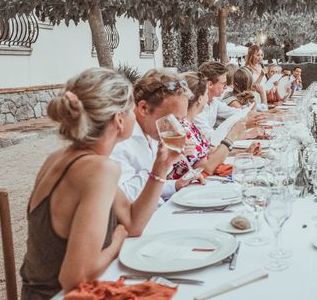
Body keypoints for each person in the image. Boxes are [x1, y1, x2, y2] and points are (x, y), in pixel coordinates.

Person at [18, 68, 177, 300]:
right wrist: (117, 239)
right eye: (130, 108)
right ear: (119, 119)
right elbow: (75, 278)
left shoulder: (65, 157)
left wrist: (161, 167)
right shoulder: (100, 169)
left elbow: (134, 222)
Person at [111, 69, 200, 204]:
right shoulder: (119, 140)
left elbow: (150, 187)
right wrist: (161, 166)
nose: (178, 127)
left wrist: (176, 185)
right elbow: (124, 197)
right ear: (144, 108)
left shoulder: (152, 131)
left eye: (180, 120)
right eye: (172, 119)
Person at [169, 71, 251, 180]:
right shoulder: (182, 128)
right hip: (183, 191)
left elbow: (211, 153)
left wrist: (244, 152)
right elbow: (207, 167)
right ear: (199, 99)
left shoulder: (189, 124)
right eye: (206, 94)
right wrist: (232, 135)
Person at [195, 61, 264, 145]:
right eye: (224, 83)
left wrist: (272, 118)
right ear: (210, 84)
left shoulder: (214, 102)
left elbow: (240, 113)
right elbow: (211, 138)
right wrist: (247, 134)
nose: (226, 87)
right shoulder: (196, 108)